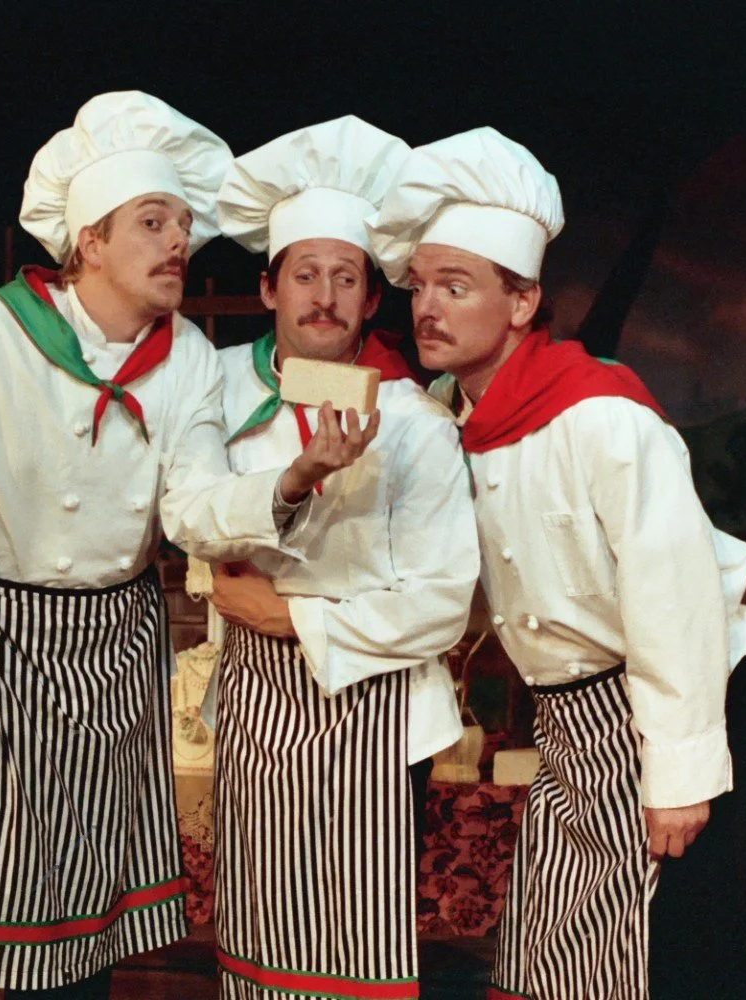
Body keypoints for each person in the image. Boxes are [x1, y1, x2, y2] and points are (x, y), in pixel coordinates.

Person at [0, 91, 378, 1000]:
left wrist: (291, 479)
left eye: (184, 224)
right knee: (11, 912)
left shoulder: (183, 353)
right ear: (88, 243)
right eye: (153, 222)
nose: (178, 242)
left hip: (118, 643)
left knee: (99, 921)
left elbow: (191, 505)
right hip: (4, 642)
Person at [368, 128, 746, 1000]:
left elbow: (674, 603)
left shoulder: (602, 416)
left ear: (522, 304)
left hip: (674, 706)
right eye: (420, 285)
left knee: (658, 965)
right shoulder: (448, 419)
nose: (428, 308)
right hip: (571, 726)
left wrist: (679, 777)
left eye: (457, 285)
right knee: (549, 965)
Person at [203, 116, 478, 1000]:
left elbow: (440, 605)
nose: (324, 296)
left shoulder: (418, 425)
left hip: (377, 728)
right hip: (255, 722)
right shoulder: (212, 392)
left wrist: (283, 613)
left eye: (346, 277)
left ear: (370, 300)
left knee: (352, 966)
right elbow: (189, 523)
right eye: (306, 274)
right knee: (255, 960)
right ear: (268, 287)